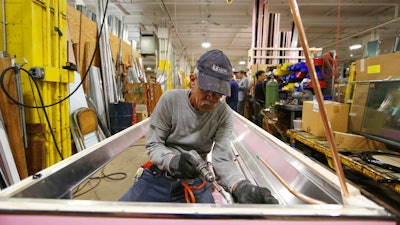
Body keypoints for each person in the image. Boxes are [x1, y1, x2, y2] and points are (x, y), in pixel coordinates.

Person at [119, 49, 278, 204]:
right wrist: (173, 161)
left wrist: (241, 186)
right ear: (193, 80)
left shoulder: (223, 114)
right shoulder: (170, 100)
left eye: (218, 94)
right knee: (116, 216)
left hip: (195, 180)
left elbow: (222, 157)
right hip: (159, 176)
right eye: (206, 90)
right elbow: (154, 144)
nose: (211, 99)